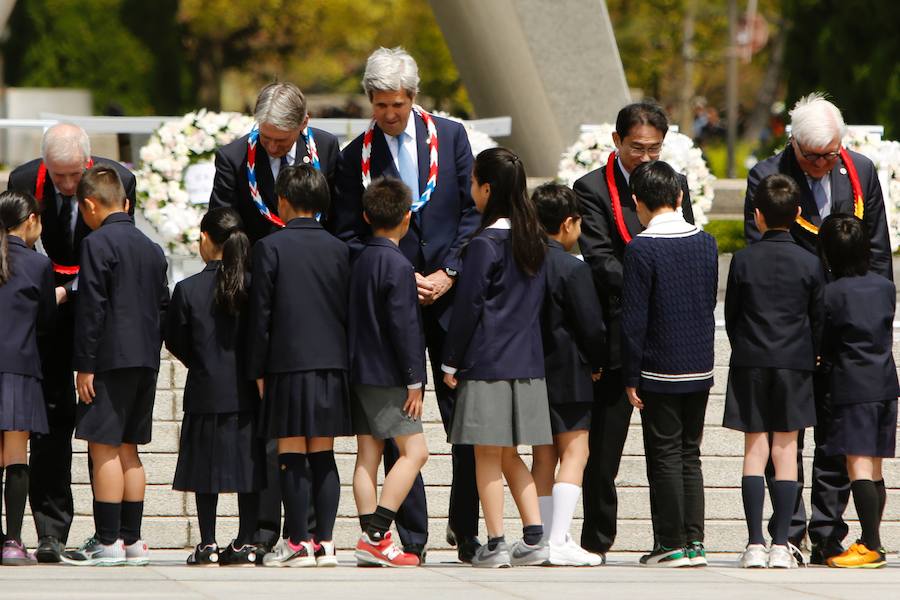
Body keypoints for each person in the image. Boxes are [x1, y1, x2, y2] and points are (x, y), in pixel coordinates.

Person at [335, 46, 481, 562]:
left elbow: (470, 213)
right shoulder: (356, 155)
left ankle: (466, 529)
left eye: (397, 104)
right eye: (379, 105)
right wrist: (397, 272)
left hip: (448, 295)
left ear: (413, 98)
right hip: (391, 297)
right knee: (400, 428)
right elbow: (349, 233)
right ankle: (408, 535)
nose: (389, 114)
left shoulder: (452, 136)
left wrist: (448, 272)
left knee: (463, 418)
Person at [743, 93, 893, 564]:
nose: (824, 165)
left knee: (835, 438)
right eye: (813, 157)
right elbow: (762, 257)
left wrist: (875, 316)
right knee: (786, 437)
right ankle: (787, 529)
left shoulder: (860, 170)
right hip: (789, 329)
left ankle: (828, 531)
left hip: (847, 327)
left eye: (831, 155)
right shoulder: (769, 177)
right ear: (794, 144)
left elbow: (879, 249)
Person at [5, 123, 136, 563]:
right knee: (49, 422)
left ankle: (112, 533)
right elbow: (19, 250)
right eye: (56, 176)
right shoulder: (24, 180)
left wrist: (78, 289)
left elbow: (116, 248)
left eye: (72, 176)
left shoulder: (118, 180)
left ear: (88, 162)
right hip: (47, 309)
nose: (64, 186)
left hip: (98, 310)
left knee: (104, 426)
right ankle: (50, 529)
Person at [574, 101, 695, 559]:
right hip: (616, 331)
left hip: (667, 333)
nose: (646, 158)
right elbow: (600, 258)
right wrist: (650, 283)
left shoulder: (674, 184)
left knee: (671, 450)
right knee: (603, 450)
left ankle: (673, 538)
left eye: (654, 148)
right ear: (617, 142)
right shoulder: (590, 189)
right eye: (636, 148)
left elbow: (684, 241)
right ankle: (597, 539)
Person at [442, 147, 550, 568]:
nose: (471, 189)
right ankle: (535, 536)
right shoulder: (534, 241)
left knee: (485, 456)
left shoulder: (484, 244)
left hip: (487, 365)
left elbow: (468, 308)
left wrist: (451, 362)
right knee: (508, 455)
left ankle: (497, 542)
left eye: (473, 182)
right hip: (527, 365)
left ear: (486, 188)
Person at [62, 166, 169, 567]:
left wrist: (84, 365)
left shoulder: (96, 243)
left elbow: (92, 308)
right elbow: (163, 305)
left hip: (107, 359)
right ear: (125, 201)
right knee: (129, 448)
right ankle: (133, 540)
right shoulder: (151, 247)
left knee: (102, 445)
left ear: (89, 205)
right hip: (145, 358)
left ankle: (107, 541)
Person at [247, 165, 351, 568]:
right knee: (323, 454)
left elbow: (262, 316)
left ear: (283, 201)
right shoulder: (341, 249)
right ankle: (325, 543)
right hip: (332, 363)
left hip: (287, 364)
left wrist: (257, 368)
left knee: (291, 451)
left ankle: (297, 542)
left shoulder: (270, 248)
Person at [620, 160, 717, 567]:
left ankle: (670, 542)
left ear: (637, 202)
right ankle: (695, 542)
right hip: (700, 365)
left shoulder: (642, 247)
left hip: (659, 368)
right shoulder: (706, 241)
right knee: (689, 454)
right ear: (680, 197)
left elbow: (634, 318)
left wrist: (630, 375)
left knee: (663, 455)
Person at [724, 174, 823, 569]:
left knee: (754, 449)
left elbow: (732, 315)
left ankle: (753, 543)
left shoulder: (743, 259)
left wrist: (745, 347)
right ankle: (782, 544)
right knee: (786, 451)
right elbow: (818, 318)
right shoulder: (811, 262)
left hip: (751, 360)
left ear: (758, 215)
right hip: (794, 363)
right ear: (798, 214)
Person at [165, 207, 266, 567]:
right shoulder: (254, 286)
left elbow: (175, 339)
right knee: (248, 470)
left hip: (205, 389)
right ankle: (245, 540)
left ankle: (207, 542)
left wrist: (200, 361)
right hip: (247, 393)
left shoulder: (188, 288)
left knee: (204, 470)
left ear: (207, 239)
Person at [349, 177, 429, 568]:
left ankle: (370, 537)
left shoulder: (361, 258)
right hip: (388, 376)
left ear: (366, 216)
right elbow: (404, 326)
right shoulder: (397, 264)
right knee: (416, 451)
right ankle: (377, 535)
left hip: (359, 370)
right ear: (407, 218)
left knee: (367, 455)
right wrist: (415, 379)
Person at [530, 183, 605, 567]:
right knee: (576, 451)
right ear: (569, 222)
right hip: (569, 372)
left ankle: (541, 537)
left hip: (529, 371)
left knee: (543, 456)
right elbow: (591, 327)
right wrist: (598, 361)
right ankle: (559, 539)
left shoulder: (523, 262)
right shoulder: (573, 268)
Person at [817, 215, 898, 569]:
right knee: (875, 468)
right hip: (884, 382)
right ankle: (871, 540)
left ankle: (871, 546)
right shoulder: (885, 286)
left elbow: (825, 341)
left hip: (852, 385)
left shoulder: (831, 293)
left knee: (859, 467)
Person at [209, 82, 341, 245]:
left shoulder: (325, 146)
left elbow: (337, 213)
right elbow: (222, 224)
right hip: (255, 262)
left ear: (303, 123)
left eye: (281, 140)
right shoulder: (234, 158)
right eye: (266, 137)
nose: (272, 147)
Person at [0, 191, 56, 565]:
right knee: (17, 454)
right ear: (31, 220)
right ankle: (14, 542)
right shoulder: (37, 265)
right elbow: (47, 323)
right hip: (20, 367)